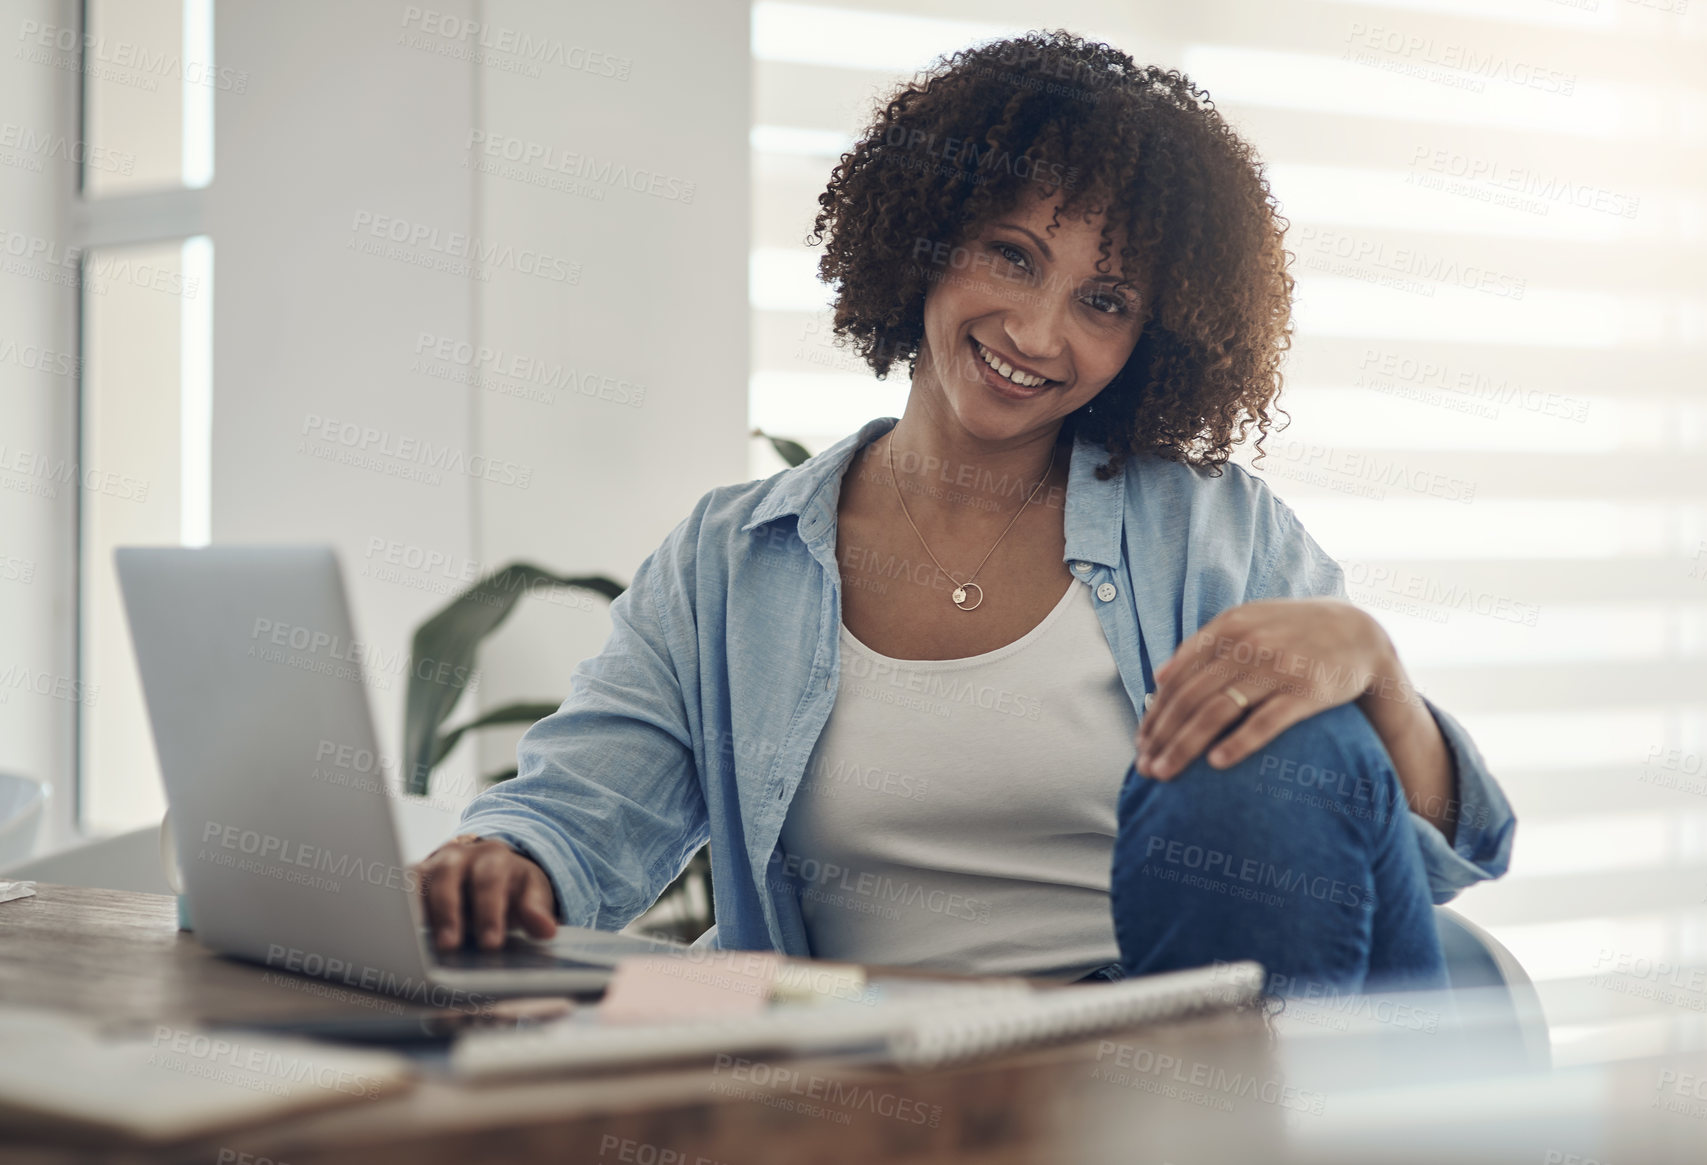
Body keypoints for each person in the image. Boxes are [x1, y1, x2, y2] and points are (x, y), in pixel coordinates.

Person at [413, 30, 1514, 995]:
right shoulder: (732, 559)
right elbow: (579, 811)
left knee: (1269, 748)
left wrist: (1377, 672)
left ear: (1151, 339)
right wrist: (507, 862)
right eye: (1011, 255)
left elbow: (1399, 860)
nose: (1038, 332)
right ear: (927, 236)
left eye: (1104, 301)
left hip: (1209, 1051)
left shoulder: (1216, 531)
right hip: (882, 1079)